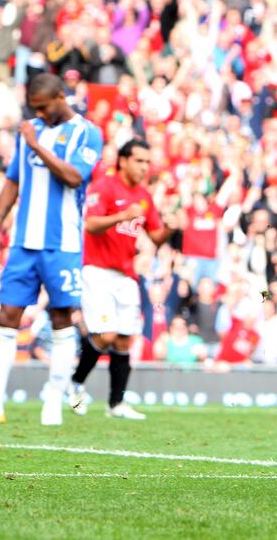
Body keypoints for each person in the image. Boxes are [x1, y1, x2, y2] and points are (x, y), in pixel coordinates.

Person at [0, 73, 103, 426]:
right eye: (33, 108)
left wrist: (37, 145)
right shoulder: (30, 130)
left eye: (43, 107)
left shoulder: (87, 132)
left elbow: (73, 178)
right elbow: (13, 180)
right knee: (6, 316)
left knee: (60, 319)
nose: (38, 114)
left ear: (61, 96)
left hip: (63, 244)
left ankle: (53, 402)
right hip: (24, 242)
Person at [68, 139, 177, 420]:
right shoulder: (104, 186)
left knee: (124, 339)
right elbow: (90, 225)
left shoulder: (144, 195)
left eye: (147, 162)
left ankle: (115, 404)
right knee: (106, 335)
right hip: (98, 269)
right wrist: (121, 216)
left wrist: (170, 228)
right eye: (139, 161)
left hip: (126, 274)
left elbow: (155, 236)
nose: (144, 167)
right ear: (124, 160)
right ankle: (75, 382)